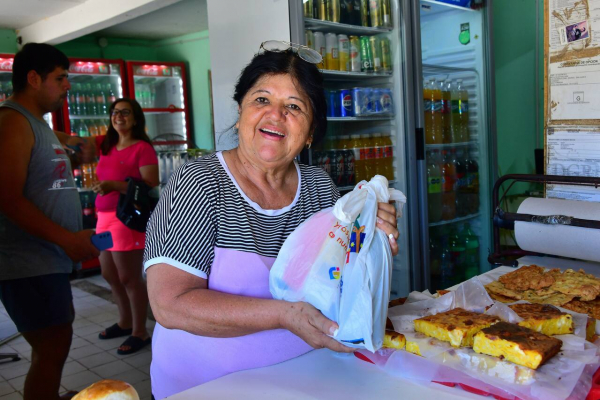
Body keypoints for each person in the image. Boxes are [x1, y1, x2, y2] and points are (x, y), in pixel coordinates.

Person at [144, 42, 400, 399]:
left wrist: (370, 239)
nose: (275, 115)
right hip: (206, 387)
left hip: (309, 378)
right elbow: (169, 304)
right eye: (262, 100)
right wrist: (284, 315)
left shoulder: (318, 187)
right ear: (241, 111)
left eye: (294, 106)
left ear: (310, 132)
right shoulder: (200, 182)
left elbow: (337, 283)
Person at [0, 43, 99, 400]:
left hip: (46, 261)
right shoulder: (12, 122)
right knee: (52, 346)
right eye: (60, 78)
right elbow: (8, 197)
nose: (67, 86)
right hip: (29, 263)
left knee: (54, 345)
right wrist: (67, 239)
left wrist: (77, 143)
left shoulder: (35, 125)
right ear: (33, 78)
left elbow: (56, 154)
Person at [92, 98, 159, 355]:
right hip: (103, 216)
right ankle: (124, 321)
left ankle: (139, 332)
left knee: (128, 277)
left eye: (125, 112)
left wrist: (113, 186)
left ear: (135, 118)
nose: (119, 116)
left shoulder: (142, 148)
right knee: (109, 274)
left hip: (125, 219)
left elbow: (150, 182)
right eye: (115, 112)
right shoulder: (106, 146)